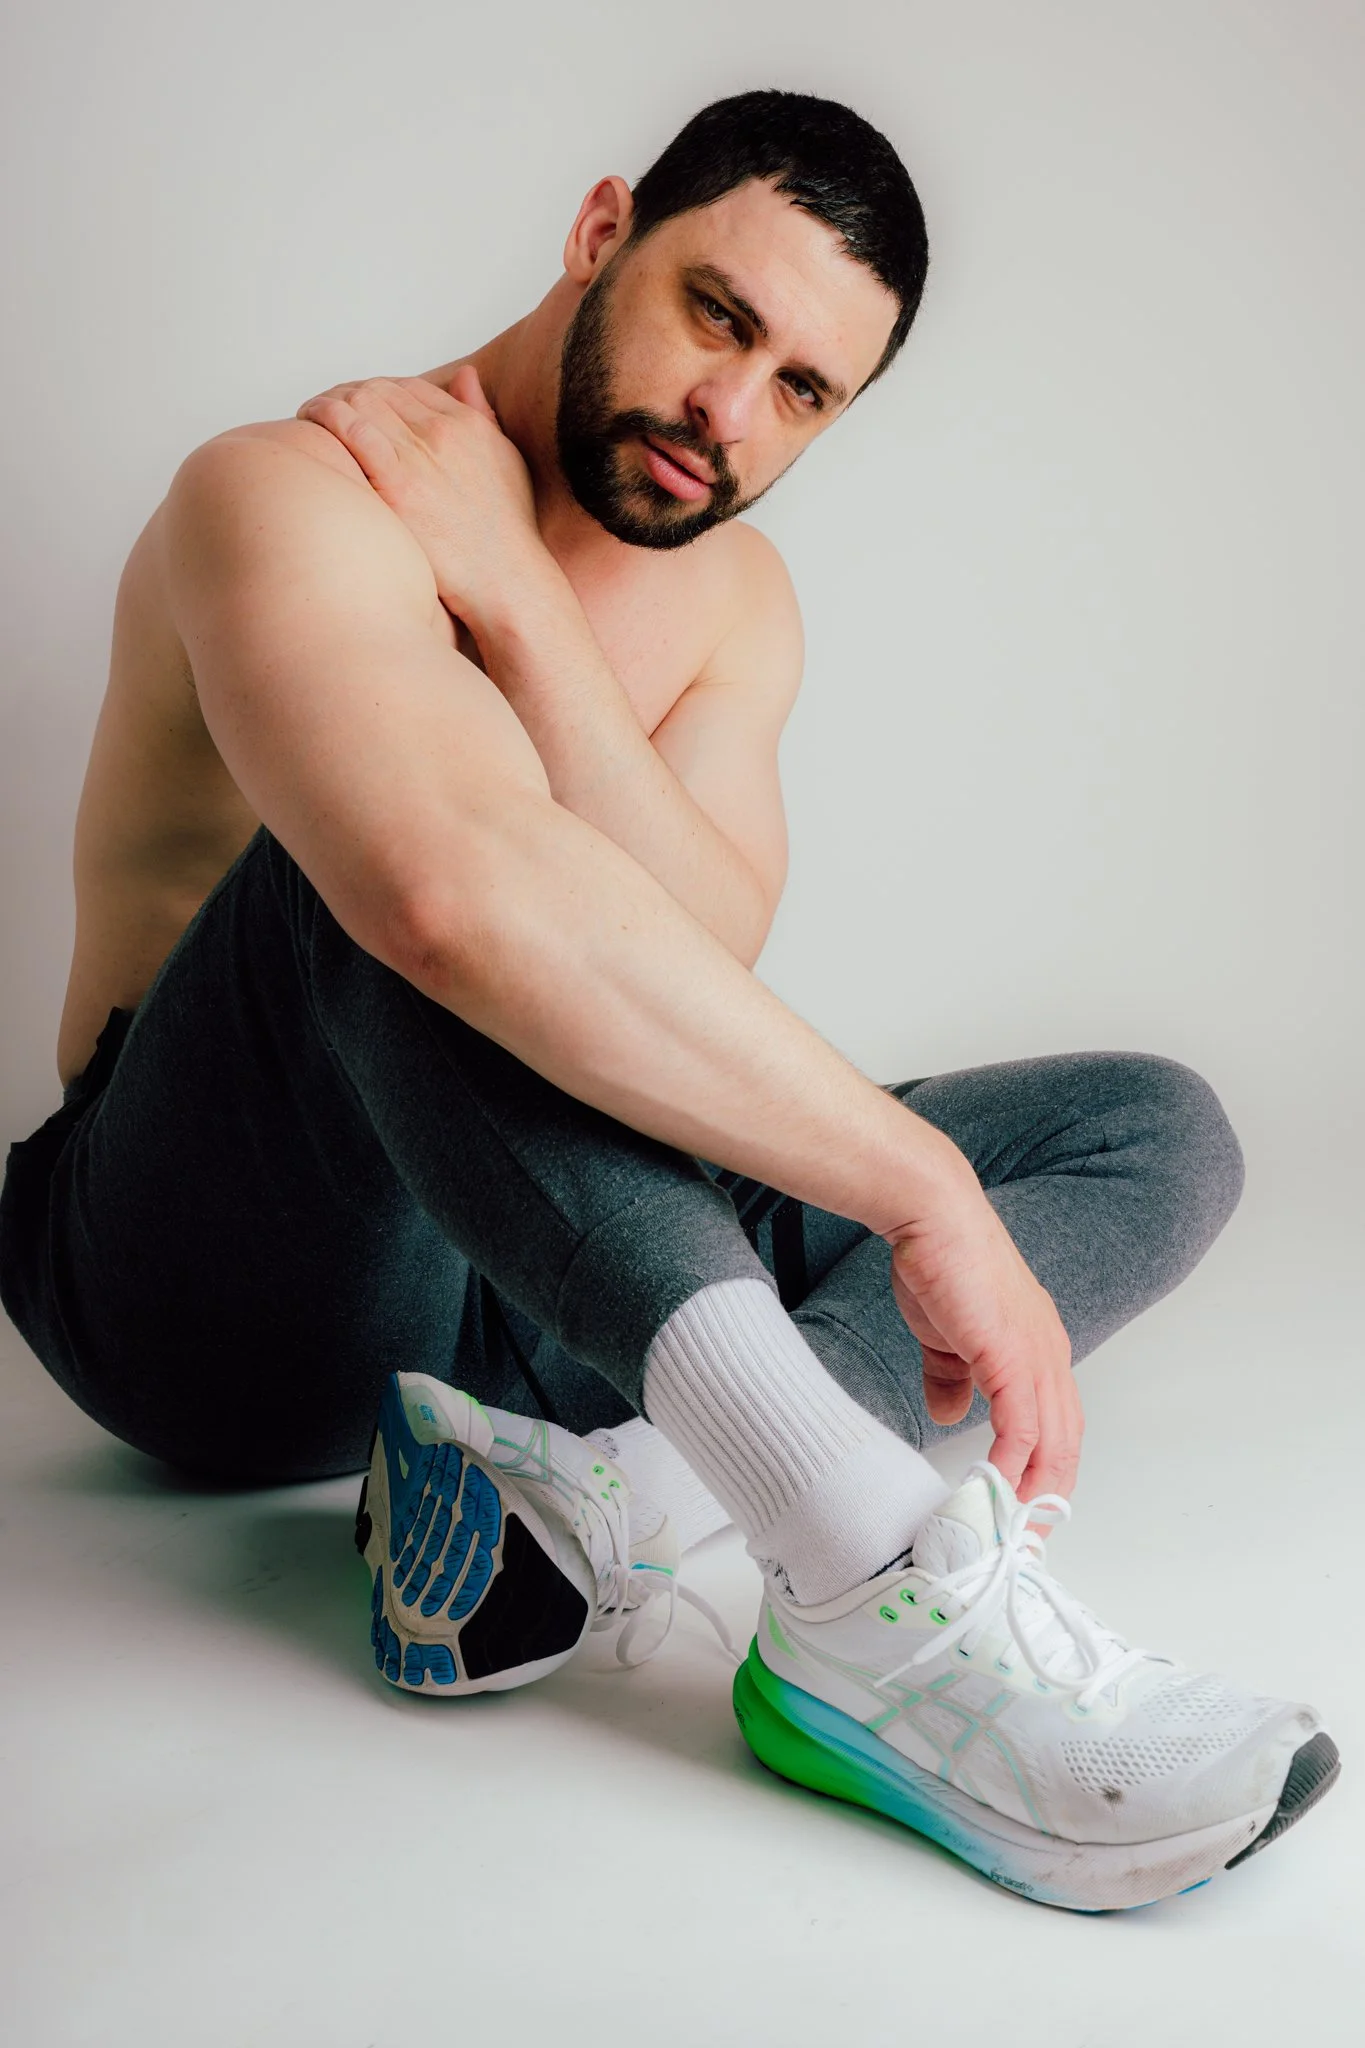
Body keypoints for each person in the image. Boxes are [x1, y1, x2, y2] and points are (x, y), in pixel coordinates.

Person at [0, 89, 1338, 1911]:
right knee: (398, 877)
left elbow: (690, 979)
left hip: (513, 1281)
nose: (735, 414)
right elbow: (447, 895)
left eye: (806, 391)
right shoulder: (299, 488)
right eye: (720, 314)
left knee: (1151, 1127)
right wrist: (918, 1194)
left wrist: (525, 615)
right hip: (200, 1285)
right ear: (603, 227)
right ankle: (860, 1587)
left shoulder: (735, 601)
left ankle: (623, 1503)